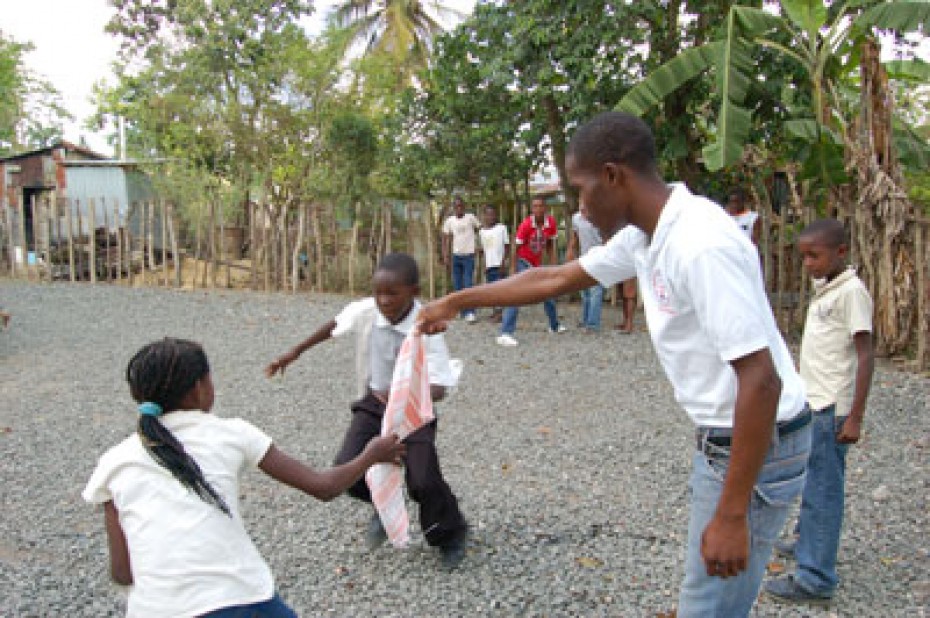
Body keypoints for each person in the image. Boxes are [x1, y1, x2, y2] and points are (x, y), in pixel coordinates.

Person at [416, 111, 811, 617]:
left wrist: (733, 513)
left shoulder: (699, 243)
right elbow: (554, 279)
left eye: (580, 189)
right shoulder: (645, 235)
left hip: (757, 440)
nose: (579, 206)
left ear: (612, 176)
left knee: (708, 606)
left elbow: (761, 379)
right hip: (729, 436)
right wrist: (456, 301)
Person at [83, 338, 405, 618]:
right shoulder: (231, 434)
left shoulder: (113, 464)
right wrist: (371, 455)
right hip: (238, 599)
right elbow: (324, 487)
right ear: (198, 389)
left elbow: (123, 573)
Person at [266, 253, 469, 569]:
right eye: (378, 293)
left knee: (423, 482)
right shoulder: (367, 311)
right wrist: (294, 352)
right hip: (373, 405)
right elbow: (334, 325)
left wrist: (405, 394)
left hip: (412, 410)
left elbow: (441, 385)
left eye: (393, 293)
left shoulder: (426, 325)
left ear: (413, 292)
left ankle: (451, 534)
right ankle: (383, 505)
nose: (384, 300)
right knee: (346, 469)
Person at [763, 219, 874, 605]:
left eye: (815, 255)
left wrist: (855, 415)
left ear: (841, 252)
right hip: (816, 403)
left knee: (824, 490)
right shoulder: (827, 289)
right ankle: (809, 542)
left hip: (834, 408)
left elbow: (865, 353)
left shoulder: (851, 293)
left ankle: (815, 577)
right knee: (812, 483)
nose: (808, 263)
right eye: (804, 256)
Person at [496, 197, 567, 346]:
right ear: (532, 209)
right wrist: (514, 271)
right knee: (517, 295)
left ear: (545, 208)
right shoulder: (526, 225)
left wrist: (554, 267)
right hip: (522, 262)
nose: (538, 209)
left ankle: (554, 326)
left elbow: (550, 245)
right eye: (535, 206)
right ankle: (505, 333)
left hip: (537, 265)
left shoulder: (551, 223)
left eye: (541, 206)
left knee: (548, 291)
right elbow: (515, 248)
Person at [565, 205, 605, 332]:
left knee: (595, 291)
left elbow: (607, 236)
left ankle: (593, 325)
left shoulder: (600, 216)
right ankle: (586, 320)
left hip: (598, 256)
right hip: (584, 258)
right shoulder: (576, 218)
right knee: (585, 292)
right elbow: (575, 236)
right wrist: (571, 249)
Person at [442, 196, 481, 323]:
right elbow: (446, 238)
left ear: (464, 207)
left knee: (468, 284)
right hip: (456, 256)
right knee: (458, 285)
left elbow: (480, 230)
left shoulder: (470, 218)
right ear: (453, 208)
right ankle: (461, 310)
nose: (459, 208)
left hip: (469, 255)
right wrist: (446, 255)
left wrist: (478, 245)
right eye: (456, 206)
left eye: (461, 206)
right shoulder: (450, 221)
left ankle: (470, 312)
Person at [478, 204, 509, 322]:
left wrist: (503, 263)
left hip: (498, 265)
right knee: (491, 290)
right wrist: (485, 264)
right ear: (484, 216)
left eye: (493, 214)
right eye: (488, 214)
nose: (491, 217)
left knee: (499, 290)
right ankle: (495, 312)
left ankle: (500, 314)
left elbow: (506, 247)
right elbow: (485, 250)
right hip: (489, 265)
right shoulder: (482, 232)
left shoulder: (502, 228)